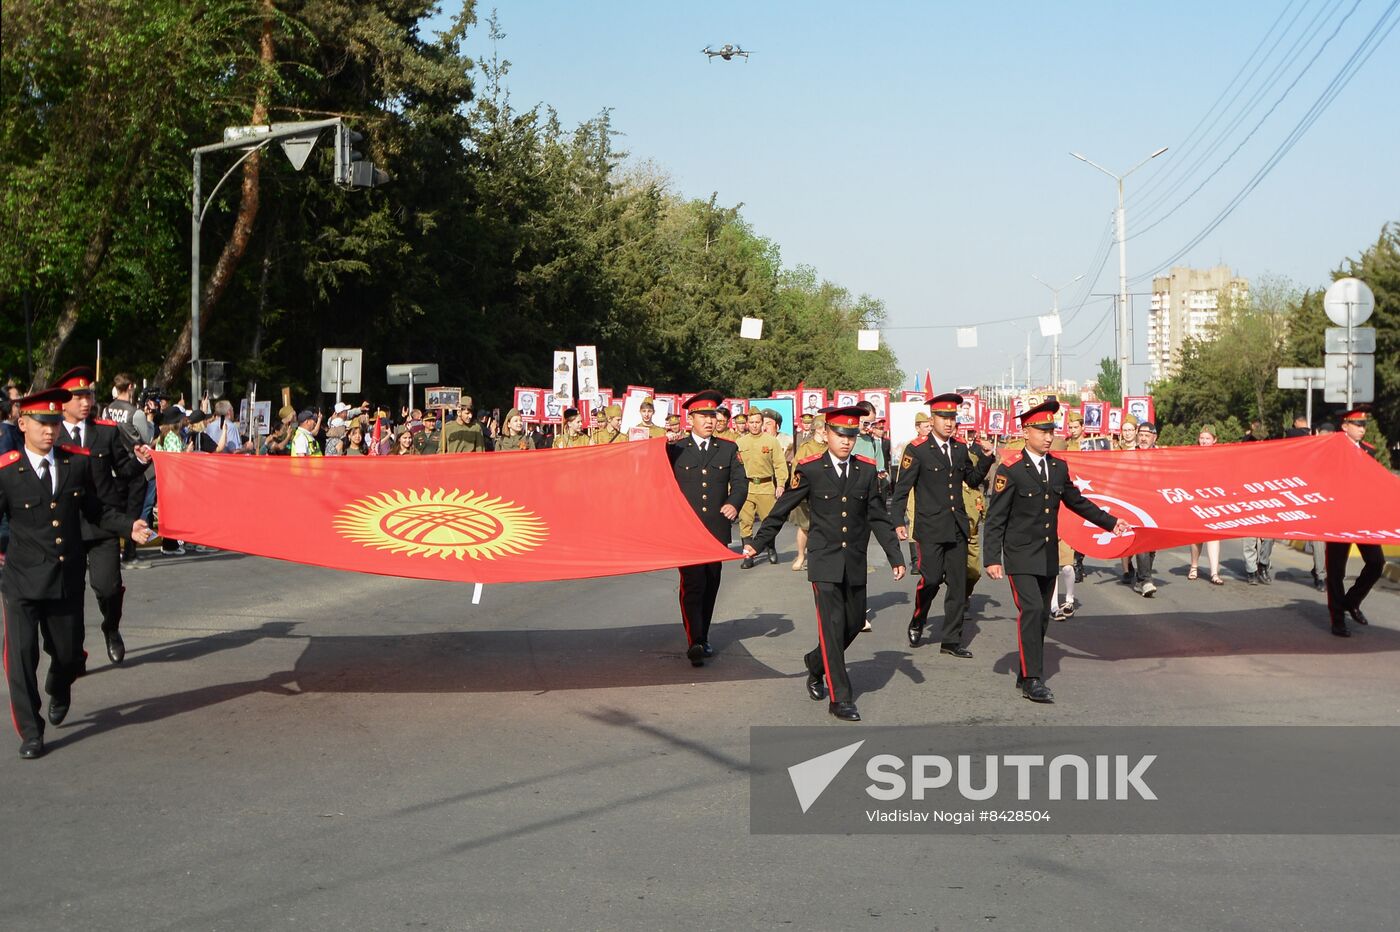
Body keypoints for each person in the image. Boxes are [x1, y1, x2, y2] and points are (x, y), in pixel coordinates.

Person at [1, 388, 154, 758]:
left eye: (54, 422)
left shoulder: (76, 463)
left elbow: (97, 510)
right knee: (21, 658)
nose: (50, 430)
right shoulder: (6, 470)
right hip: (21, 579)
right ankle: (32, 732)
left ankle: (60, 683)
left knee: (69, 656)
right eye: (42, 423)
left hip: (65, 577)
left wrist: (126, 526)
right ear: (23, 424)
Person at [747, 406, 906, 722]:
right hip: (824, 560)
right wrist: (757, 541)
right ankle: (841, 697)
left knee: (852, 623)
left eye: (852, 435)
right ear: (827, 435)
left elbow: (877, 515)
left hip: (854, 559)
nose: (846, 442)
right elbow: (782, 508)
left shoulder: (865, 469)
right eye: (840, 435)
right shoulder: (811, 469)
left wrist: (895, 555)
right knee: (832, 627)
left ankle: (815, 663)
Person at [983, 400, 1130, 703]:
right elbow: (995, 517)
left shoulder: (1058, 466)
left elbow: (1078, 502)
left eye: (1051, 430)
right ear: (1026, 431)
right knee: (1032, 610)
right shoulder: (1010, 470)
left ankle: (1026, 671)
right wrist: (991, 559)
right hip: (1020, 555)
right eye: (1042, 430)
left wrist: (1111, 522)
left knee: (1043, 617)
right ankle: (1033, 679)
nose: (1048, 436)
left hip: (1047, 553)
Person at [54, 367, 151, 663]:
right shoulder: (51, 434)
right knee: (69, 593)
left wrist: (138, 459)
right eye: (79, 396)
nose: (86, 402)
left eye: (89, 395)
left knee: (108, 586)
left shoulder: (105, 431)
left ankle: (111, 628)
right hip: (68, 524)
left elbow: (123, 470)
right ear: (63, 402)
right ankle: (76, 650)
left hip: (104, 519)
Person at [892, 393, 995, 654]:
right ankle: (918, 618)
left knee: (958, 585)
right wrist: (897, 521)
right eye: (943, 417)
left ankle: (951, 640)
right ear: (932, 419)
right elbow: (902, 488)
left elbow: (971, 480)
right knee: (932, 579)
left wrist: (985, 458)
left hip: (956, 525)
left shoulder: (960, 448)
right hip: (929, 527)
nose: (948, 423)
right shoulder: (917, 449)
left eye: (952, 418)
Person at [667, 391, 748, 666]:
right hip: (685, 529)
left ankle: (704, 634)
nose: (710, 421)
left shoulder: (727, 449)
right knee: (693, 584)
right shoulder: (675, 449)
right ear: (691, 419)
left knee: (712, 582)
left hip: (715, 528)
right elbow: (659, 481)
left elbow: (740, 483)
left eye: (713, 416)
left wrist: (734, 504)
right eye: (703, 416)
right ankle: (696, 640)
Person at [1325, 406, 1387, 637]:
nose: (1362, 429)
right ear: (1344, 427)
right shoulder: (1332, 451)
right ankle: (1337, 619)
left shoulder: (1369, 451)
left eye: (1364, 425)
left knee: (1376, 563)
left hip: (1363, 519)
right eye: (1357, 425)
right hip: (1338, 519)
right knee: (1336, 571)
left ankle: (1351, 601)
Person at [736, 410, 788, 567]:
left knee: (768, 521)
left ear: (762, 423)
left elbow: (779, 463)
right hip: (747, 487)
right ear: (747, 424)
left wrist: (780, 484)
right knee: (745, 522)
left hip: (765, 486)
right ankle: (748, 555)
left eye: (757, 422)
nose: (754, 425)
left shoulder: (771, 441)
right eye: (751, 422)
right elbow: (735, 468)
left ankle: (770, 547)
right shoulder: (740, 442)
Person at [789, 414, 828, 572]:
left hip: (827, 494)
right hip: (808, 494)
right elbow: (796, 471)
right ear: (819, 429)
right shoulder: (806, 448)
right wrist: (797, 493)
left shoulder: (831, 448)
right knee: (805, 527)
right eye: (826, 430)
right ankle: (801, 556)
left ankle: (822, 558)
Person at [1188, 426, 1226, 586]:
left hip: (1214, 501)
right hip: (1197, 500)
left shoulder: (1221, 457)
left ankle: (1214, 572)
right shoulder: (1192, 455)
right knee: (1197, 537)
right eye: (1202, 438)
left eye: (1207, 438)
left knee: (1214, 535)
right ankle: (1194, 566)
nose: (1204, 441)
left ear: (1215, 440)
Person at [1128, 421, 1161, 597]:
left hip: (1155, 506)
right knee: (1142, 541)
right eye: (1140, 434)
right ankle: (1146, 579)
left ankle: (1141, 581)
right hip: (1136, 505)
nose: (1143, 438)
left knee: (1152, 545)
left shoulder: (1162, 455)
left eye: (1147, 435)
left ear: (1154, 437)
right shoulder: (1130, 455)